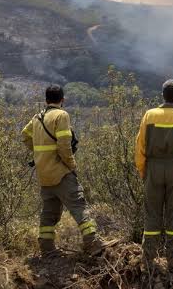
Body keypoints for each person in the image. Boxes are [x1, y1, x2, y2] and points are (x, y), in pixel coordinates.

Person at [21, 85, 110, 257]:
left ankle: (47, 249)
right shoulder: (61, 115)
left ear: (46, 100)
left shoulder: (37, 117)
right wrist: (71, 165)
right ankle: (93, 244)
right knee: (79, 206)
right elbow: (64, 146)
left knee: (49, 212)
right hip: (61, 173)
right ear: (62, 99)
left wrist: (39, 153)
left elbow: (24, 135)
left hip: (44, 175)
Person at [135, 79, 173, 270]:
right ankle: (172, 258)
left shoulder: (149, 115)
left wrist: (143, 170)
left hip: (153, 167)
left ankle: (148, 257)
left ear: (162, 95)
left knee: (152, 212)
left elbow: (140, 146)